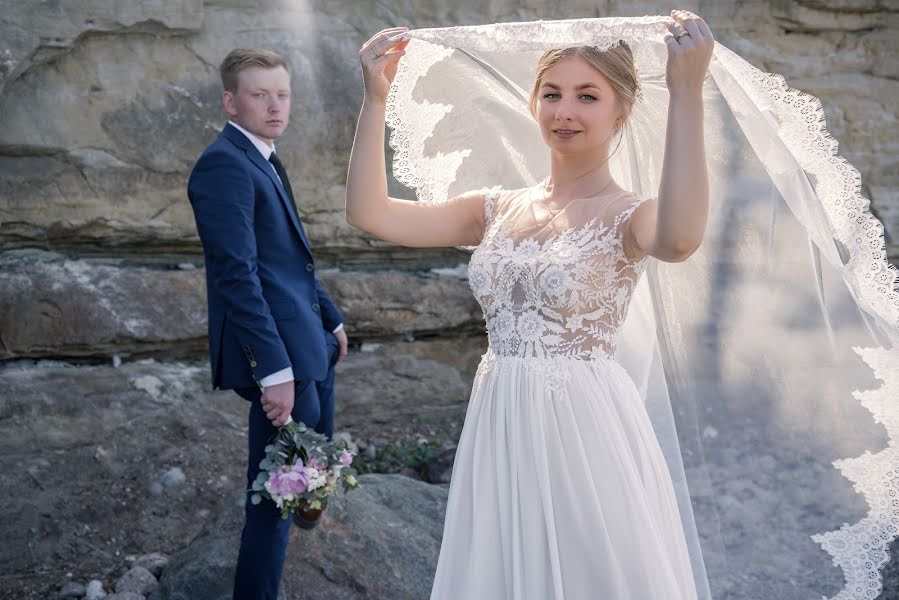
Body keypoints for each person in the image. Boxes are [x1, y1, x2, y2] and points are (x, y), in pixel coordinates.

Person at [345, 10, 714, 600]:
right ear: (534, 103)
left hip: (583, 424)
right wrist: (376, 97)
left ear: (622, 111)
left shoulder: (631, 215)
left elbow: (679, 240)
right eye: (552, 93)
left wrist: (687, 89)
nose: (564, 110)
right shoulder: (495, 209)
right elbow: (371, 214)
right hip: (501, 415)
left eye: (587, 96)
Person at [187, 47, 348, 600]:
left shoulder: (265, 156)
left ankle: (312, 510)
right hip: (282, 358)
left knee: (313, 470)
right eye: (260, 94)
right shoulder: (222, 164)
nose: (275, 105)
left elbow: (289, 261)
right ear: (230, 99)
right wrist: (272, 369)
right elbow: (237, 274)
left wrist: (331, 318)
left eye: (282, 93)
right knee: (272, 503)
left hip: (313, 344)